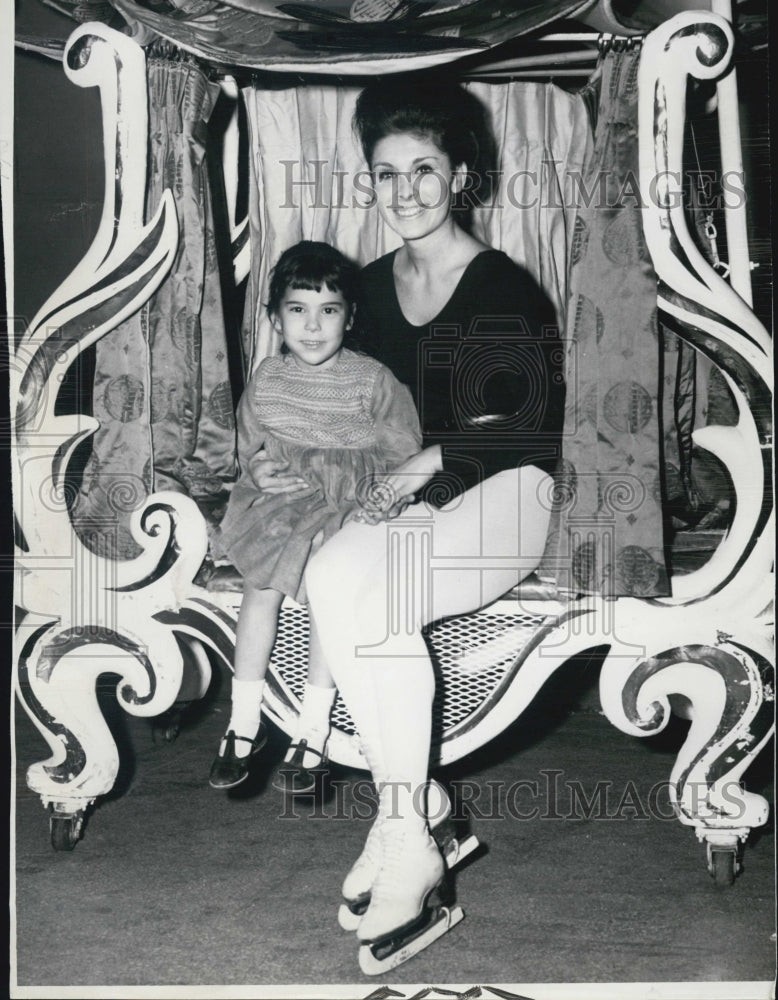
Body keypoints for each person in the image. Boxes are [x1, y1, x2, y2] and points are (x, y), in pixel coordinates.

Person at [299, 77, 566, 954]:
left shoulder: (500, 287)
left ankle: (409, 834)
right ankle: (417, 811)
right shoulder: (367, 292)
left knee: (381, 596)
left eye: (424, 169)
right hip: (416, 504)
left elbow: (527, 428)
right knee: (332, 574)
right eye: (386, 173)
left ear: (460, 176)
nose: (405, 191)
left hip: (506, 493)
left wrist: (424, 460)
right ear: (368, 182)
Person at [209, 240, 422, 794]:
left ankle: (312, 728)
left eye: (328, 311)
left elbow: (404, 450)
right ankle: (243, 722)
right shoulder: (267, 379)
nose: (312, 326)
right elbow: (248, 448)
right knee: (261, 590)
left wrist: (381, 491)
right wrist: (258, 474)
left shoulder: (372, 379)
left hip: (349, 502)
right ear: (275, 318)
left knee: (331, 593)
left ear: (349, 319)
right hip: (284, 502)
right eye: (297, 310)